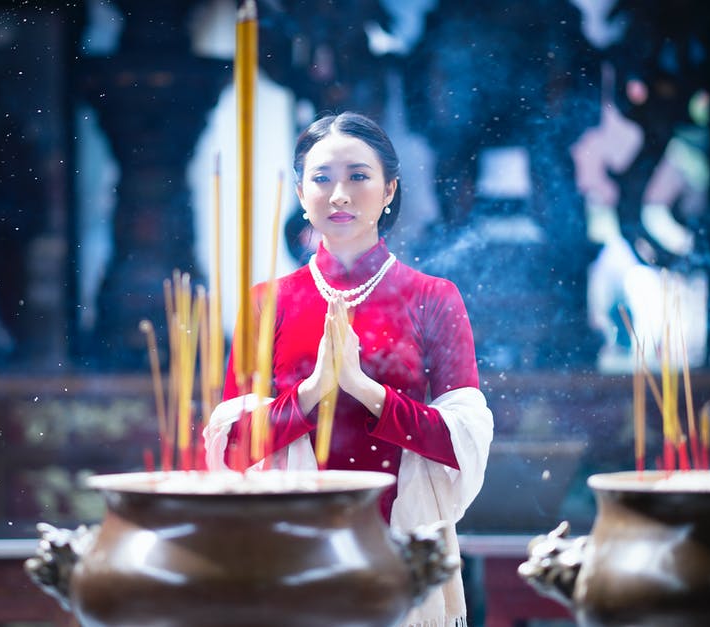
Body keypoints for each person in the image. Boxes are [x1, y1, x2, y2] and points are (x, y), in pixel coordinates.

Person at [204, 111, 494, 627]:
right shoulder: (268, 303)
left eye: (359, 176)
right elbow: (231, 451)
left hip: (401, 550)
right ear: (300, 192)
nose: (339, 195)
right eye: (322, 178)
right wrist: (314, 391)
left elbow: (462, 444)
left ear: (389, 190)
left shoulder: (432, 298)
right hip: (293, 551)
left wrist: (367, 391)